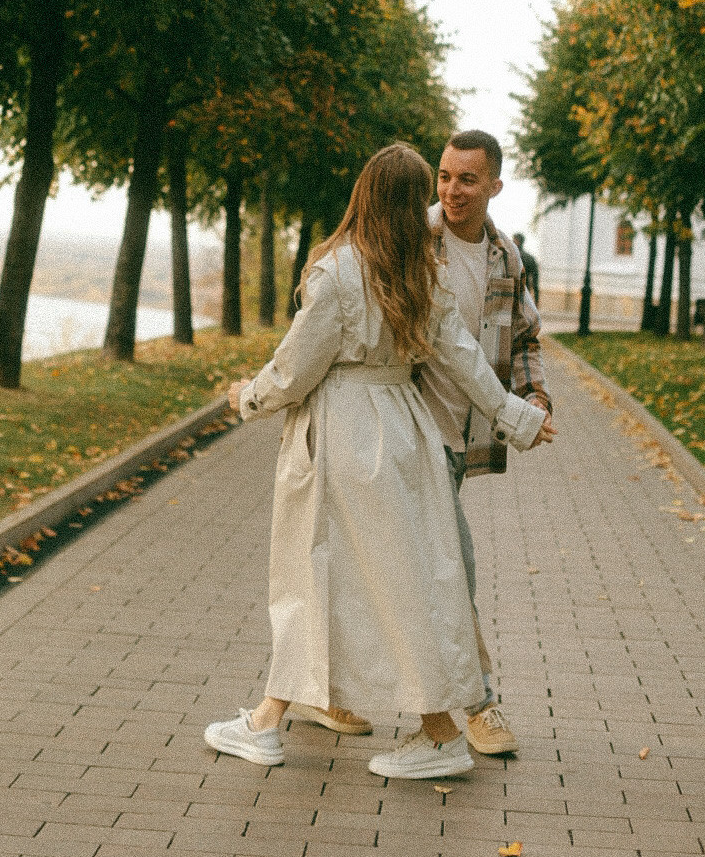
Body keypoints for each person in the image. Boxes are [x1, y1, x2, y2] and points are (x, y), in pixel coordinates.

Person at [203, 143, 555, 780]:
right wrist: (519, 417)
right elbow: (464, 357)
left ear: (363, 193)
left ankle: (425, 734)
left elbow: (296, 366)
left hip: (342, 432)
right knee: (396, 580)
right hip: (405, 429)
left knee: (317, 575)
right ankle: (272, 719)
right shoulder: (422, 271)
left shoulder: (338, 270)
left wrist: (246, 398)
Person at [417, 130, 552, 760]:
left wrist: (536, 397)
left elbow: (524, 337)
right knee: (454, 564)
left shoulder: (505, 257)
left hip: (460, 438)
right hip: (408, 427)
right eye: (444, 176)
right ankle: (479, 704)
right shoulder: (414, 238)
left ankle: (318, 692)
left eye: (467, 179)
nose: (452, 191)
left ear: (495, 185)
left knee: (399, 564)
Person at [512, 231, 540, 303]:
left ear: (517, 241)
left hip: (511, 291)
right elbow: (535, 281)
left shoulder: (511, 257)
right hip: (525, 292)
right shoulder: (530, 258)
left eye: (513, 240)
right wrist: (536, 300)